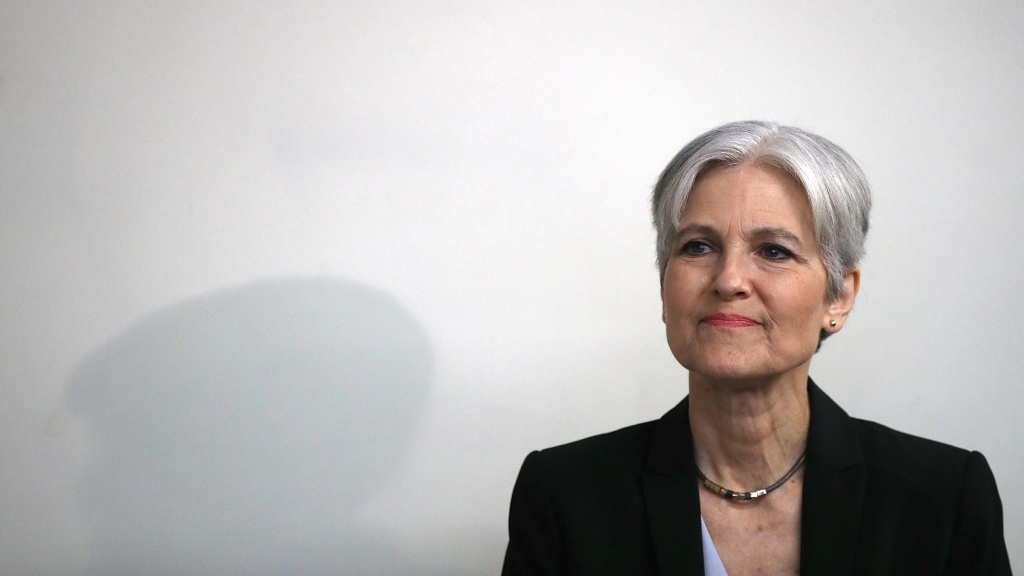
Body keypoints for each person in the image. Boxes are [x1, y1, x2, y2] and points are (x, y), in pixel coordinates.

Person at [501, 121, 1011, 575]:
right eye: (698, 246)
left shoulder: (943, 498)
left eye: (774, 251)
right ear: (664, 285)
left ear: (840, 295)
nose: (729, 280)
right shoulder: (564, 495)